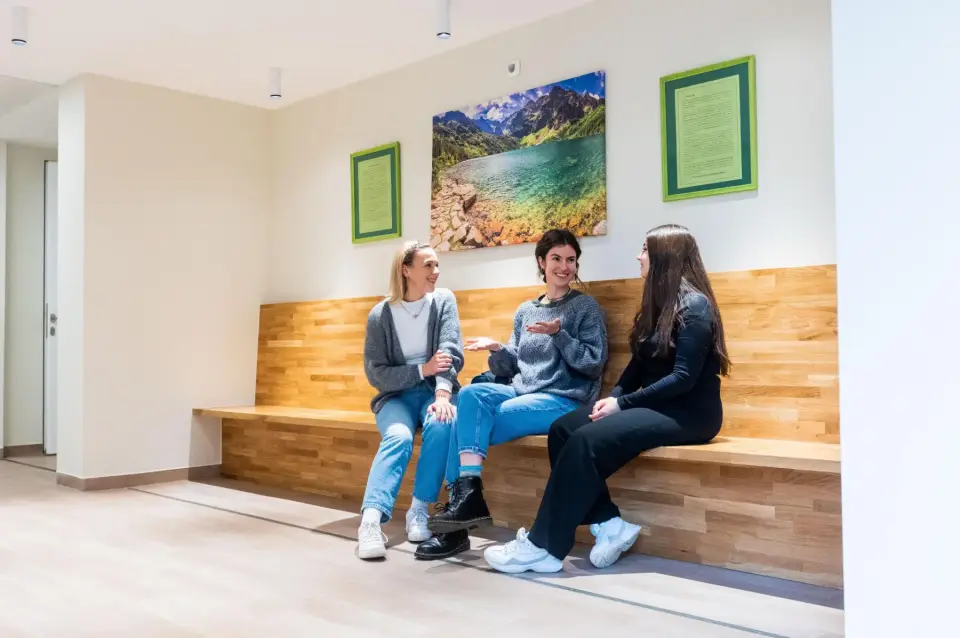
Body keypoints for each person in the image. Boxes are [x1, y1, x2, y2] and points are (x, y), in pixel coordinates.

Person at [482, 223, 731, 574]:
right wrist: (613, 397)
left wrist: (622, 405)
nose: (638, 256)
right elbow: (638, 365)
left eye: (645, 250)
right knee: (563, 429)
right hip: (654, 404)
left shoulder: (696, 307)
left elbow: (683, 378)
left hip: (689, 412)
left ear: (665, 256)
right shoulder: (658, 304)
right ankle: (610, 524)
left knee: (584, 441)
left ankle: (544, 547)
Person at [416, 229, 608, 560]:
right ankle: (467, 498)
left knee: (465, 425)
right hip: (521, 392)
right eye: (556, 259)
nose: (564, 267)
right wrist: (497, 349)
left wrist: (560, 334)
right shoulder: (526, 310)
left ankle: (456, 526)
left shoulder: (585, 307)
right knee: (470, 396)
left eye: (571, 260)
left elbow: (593, 363)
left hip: (563, 399)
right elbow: (515, 365)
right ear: (541, 262)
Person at [358, 240, 464, 560]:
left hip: (436, 390)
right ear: (406, 270)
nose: (436, 271)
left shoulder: (443, 301)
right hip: (395, 396)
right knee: (398, 436)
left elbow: (450, 351)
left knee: (443, 422)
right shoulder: (380, 315)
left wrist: (443, 393)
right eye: (428, 265)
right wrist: (421, 369)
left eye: (437, 264)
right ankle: (370, 521)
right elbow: (376, 373)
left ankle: (419, 508)